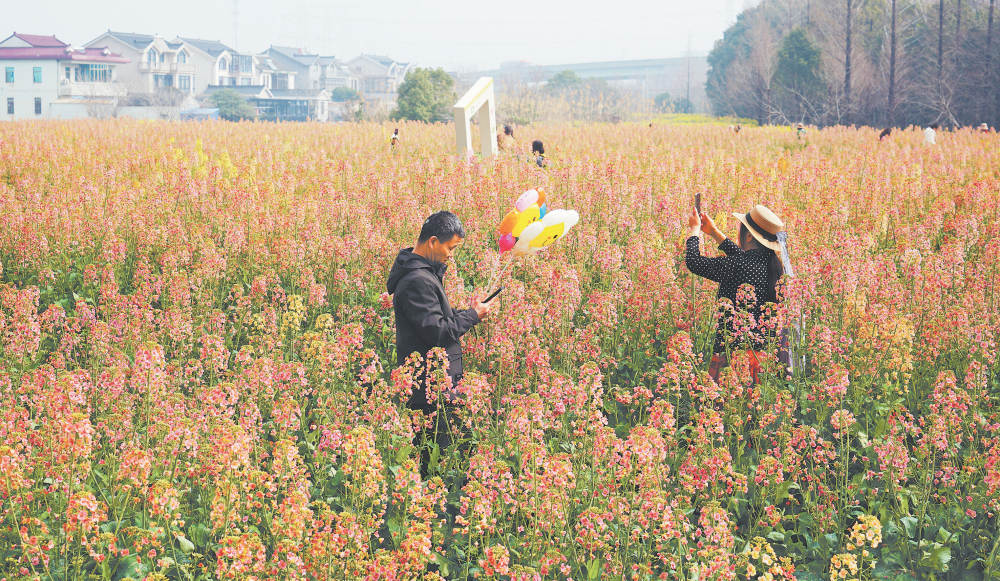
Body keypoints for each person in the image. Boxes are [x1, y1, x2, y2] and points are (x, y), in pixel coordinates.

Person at [386, 211, 493, 477]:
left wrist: (465, 312)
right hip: (430, 391)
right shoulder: (417, 280)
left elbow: (434, 318)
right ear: (433, 241)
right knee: (433, 463)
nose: (451, 254)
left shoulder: (422, 273)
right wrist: (472, 316)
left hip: (437, 385)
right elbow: (437, 332)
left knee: (443, 456)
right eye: (450, 247)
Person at [685, 204, 792, 383]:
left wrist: (695, 229)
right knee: (753, 405)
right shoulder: (773, 264)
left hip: (731, 352)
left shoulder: (737, 265)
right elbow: (742, 256)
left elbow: (694, 262)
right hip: (762, 355)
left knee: (726, 402)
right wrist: (713, 232)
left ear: (749, 235)